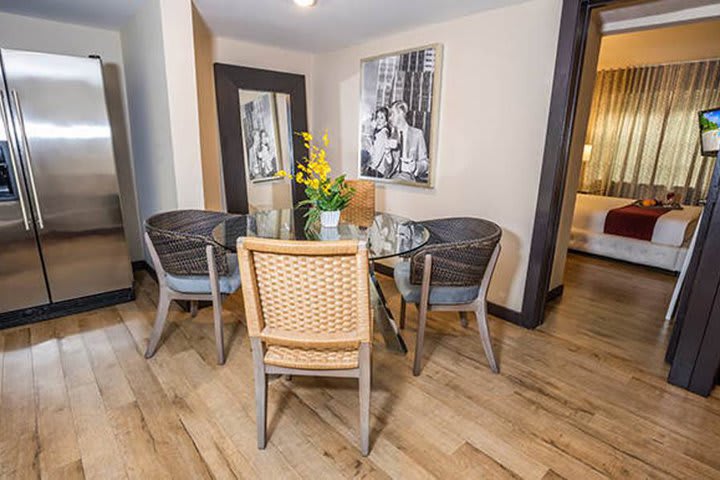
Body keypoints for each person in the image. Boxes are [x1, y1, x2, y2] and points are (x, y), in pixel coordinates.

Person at [388, 101, 429, 183]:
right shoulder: (391, 135)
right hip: (391, 177)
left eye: (392, 114)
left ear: (401, 112)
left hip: (409, 177)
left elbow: (425, 163)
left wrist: (415, 166)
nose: (390, 118)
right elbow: (387, 168)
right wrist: (387, 154)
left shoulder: (417, 134)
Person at [365, 107, 394, 178]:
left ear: (386, 121)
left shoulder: (382, 134)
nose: (378, 120)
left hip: (376, 171)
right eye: (377, 117)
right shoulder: (380, 132)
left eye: (382, 118)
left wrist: (369, 167)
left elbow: (377, 157)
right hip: (377, 171)